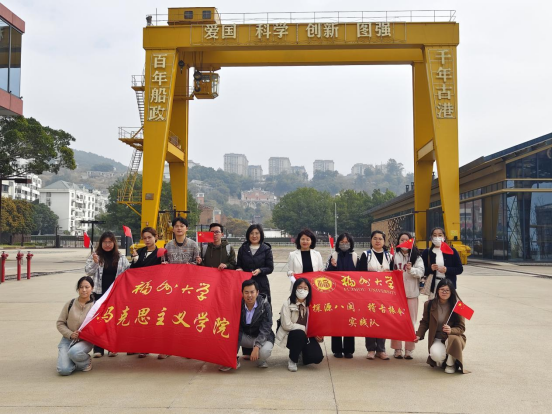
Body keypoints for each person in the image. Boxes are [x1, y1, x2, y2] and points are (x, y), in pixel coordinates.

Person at [85, 231, 130, 358]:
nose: (107, 244)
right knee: (98, 320)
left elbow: (129, 272)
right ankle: (98, 348)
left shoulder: (121, 258)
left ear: (114, 243)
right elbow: (88, 271)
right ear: (101, 243)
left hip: (115, 294)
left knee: (113, 321)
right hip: (99, 293)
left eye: (110, 242)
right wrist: (95, 262)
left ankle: (112, 348)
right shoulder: (95, 256)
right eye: (105, 242)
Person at [219, 279, 275, 372]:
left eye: (252, 292)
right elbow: (233, 326)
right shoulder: (238, 304)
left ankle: (261, 359)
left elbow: (266, 327)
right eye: (246, 292)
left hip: (261, 337)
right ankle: (232, 360)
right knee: (224, 333)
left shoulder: (265, 305)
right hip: (245, 337)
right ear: (242, 293)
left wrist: (257, 346)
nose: (249, 295)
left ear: (257, 292)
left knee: (264, 352)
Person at [415, 278, 467, 374]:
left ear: (451, 292)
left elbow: (461, 328)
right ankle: (444, 359)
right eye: (442, 289)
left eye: (447, 290)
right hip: (438, 338)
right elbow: (425, 322)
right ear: (437, 290)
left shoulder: (459, 305)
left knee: (453, 339)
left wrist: (451, 330)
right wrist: (419, 334)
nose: (444, 292)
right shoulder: (429, 304)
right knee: (436, 356)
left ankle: (451, 364)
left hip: (453, 338)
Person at [357, 230, 393, 360]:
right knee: (370, 320)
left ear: (384, 241)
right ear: (371, 240)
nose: (378, 241)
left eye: (380, 239)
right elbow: (359, 274)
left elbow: (394, 275)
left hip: (384, 294)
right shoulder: (366, 255)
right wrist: (378, 274)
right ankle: (371, 349)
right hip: (369, 294)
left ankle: (381, 349)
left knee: (383, 320)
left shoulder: (389, 256)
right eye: (375, 238)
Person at [276, 277, 324, 372]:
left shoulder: (312, 305)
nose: (302, 290)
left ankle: (301, 352)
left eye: (305, 288)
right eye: (300, 287)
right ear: (295, 289)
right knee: (299, 334)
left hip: (308, 336)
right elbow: (286, 325)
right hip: (291, 336)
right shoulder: (287, 304)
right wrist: (304, 328)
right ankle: (292, 359)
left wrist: (319, 336)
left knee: (317, 357)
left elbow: (317, 323)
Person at [390, 232, 425, 359]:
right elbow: (387, 271)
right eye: (402, 239)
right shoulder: (393, 256)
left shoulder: (416, 257)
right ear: (398, 241)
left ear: (411, 241)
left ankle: (409, 349)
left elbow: (421, 272)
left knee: (410, 321)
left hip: (411, 293)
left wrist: (411, 270)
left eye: (406, 239)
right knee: (396, 321)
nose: (404, 242)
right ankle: (397, 348)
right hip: (396, 294)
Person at [129, 226, 162, 358]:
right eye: (144, 238)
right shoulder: (139, 251)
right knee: (138, 319)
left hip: (153, 291)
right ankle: (138, 346)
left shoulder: (160, 253)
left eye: (149, 237)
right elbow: (132, 271)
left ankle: (150, 347)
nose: (147, 240)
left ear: (156, 237)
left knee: (150, 319)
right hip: (139, 290)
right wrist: (135, 260)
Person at [326, 232, 358, 359]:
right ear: (338, 243)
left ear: (350, 243)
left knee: (350, 321)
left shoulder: (355, 256)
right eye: (342, 242)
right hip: (336, 295)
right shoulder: (333, 255)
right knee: (336, 321)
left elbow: (360, 275)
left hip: (351, 295)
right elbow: (326, 275)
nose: (344, 244)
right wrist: (332, 266)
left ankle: (349, 350)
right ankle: (337, 349)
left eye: (347, 242)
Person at [56, 276, 96, 375]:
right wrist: (70, 334)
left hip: (85, 340)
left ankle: (85, 362)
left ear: (92, 288)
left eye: (87, 287)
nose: (84, 290)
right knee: (63, 370)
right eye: (81, 287)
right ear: (78, 289)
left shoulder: (96, 306)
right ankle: (73, 359)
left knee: (74, 352)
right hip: (68, 339)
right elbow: (60, 323)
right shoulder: (70, 304)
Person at [421, 227, 463, 299]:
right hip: (434, 285)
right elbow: (422, 270)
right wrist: (431, 269)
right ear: (431, 237)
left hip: (448, 285)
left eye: (440, 235)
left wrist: (447, 269)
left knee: (448, 305)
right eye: (434, 235)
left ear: (444, 237)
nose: (437, 237)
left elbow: (459, 269)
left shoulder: (452, 251)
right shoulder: (427, 252)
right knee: (434, 305)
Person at [236, 224, 274, 303]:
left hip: (261, 284)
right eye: (252, 233)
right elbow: (238, 265)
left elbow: (270, 268)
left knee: (262, 306)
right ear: (248, 235)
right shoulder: (243, 249)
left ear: (261, 235)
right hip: (246, 283)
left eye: (257, 233)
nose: (254, 236)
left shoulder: (266, 249)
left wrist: (260, 270)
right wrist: (239, 269)